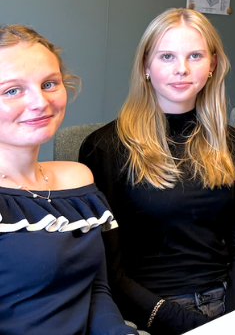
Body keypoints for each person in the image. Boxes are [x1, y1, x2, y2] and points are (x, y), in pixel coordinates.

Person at [80, 9, 235, 335]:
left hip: (229, 305)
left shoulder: (227, 140)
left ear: (213, 64)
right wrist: (192, 325)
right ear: (146, 65)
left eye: (195, 56)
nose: (182, 69)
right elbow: (108, 271)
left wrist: (234, 317)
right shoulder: (105, 147)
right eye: (167, 56)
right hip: (153, 313)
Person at [0, 25, 136, 335]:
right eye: (12, 90)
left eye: (49, 83)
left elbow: (96, 291)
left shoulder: (77, 178)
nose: (40, 102)